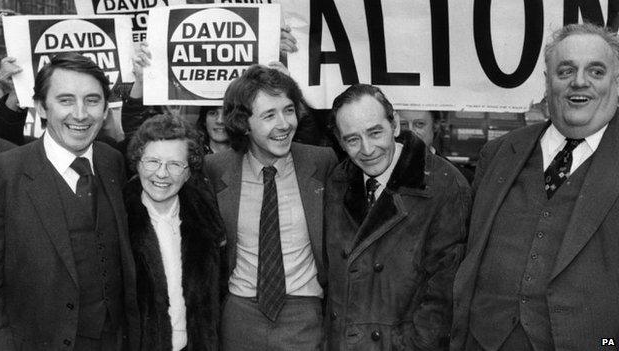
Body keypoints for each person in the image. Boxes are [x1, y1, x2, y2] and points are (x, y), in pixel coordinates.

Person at [451, 23, 619, 351]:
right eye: (565, 70)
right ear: (547, 81)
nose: (579, 81)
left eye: (596, 71)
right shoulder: (498, 153)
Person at [0, 52, 139, 350]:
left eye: (92, 100)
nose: (80, 113)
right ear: (41, 107)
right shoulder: (5, 173)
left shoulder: (112, 161)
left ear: (105, 108)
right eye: (65, 100)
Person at [325, 84, 471, 350]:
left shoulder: (445, 186)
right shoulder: (338, 180)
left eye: (375, 133)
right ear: (340, 141)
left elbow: (444, 298)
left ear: (394, 125)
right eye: (353, 139)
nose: (367, 149)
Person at [204, 64, 338, 350]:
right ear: (243, 123)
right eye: (269, 115)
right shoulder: (216, 169)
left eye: (289, 110)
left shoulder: (323, 163)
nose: (284, 123)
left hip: (305, 316)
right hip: (239, 317)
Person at [125, 114, 225, 351]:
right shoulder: (118, 219)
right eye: (152, 162)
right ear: (137, 162)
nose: (162, 174)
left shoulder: (206, 217)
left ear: (189, 171)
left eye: (174, 164)